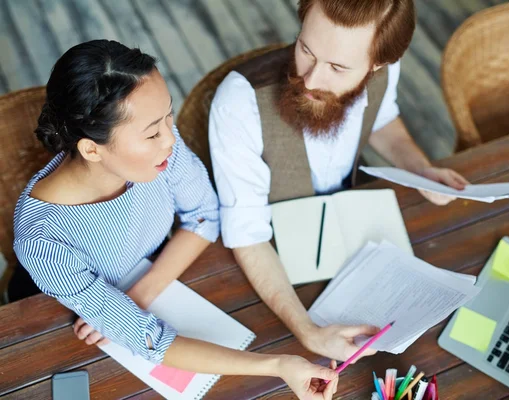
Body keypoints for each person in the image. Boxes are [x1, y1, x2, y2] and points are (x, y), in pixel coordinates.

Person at [12, 40, 338, 399]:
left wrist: (139, 294)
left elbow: (204, 215)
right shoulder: (41, 241)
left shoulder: (159, 149)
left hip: (153, 276)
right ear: (91, 148)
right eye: (152, 132)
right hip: (64, 325)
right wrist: (276, 365)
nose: (170, 138)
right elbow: (150, 341)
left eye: (168, 116)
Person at [208, 0, 469, 364]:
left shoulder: (384, 71)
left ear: (378, 65)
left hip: (351, 232)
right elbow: (248, 236)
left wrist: (418, 167)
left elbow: (382, 118)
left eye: (338, 67)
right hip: (273, 262)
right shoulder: (239, 103)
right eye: (306, 49)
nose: (312, 80)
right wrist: (308, 332)